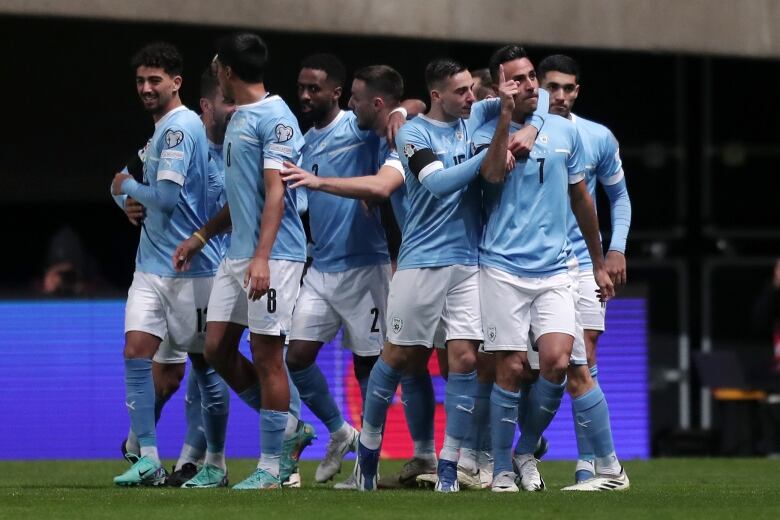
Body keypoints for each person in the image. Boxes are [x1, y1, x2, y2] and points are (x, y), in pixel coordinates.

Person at [349, 57, 544, 493]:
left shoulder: (476, 114)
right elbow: (437, 184)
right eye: (460, 92)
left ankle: (451, 465)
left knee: (467, 361)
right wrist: (493, 155)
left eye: (471, 90)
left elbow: (541, 96)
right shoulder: (414, 133)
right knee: (398, 357)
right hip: (421, 262)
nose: (471, 98)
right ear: (436, 96)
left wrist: (529, 127)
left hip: (469, 263)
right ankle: (368, 452)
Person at [282, 64, 439, 488]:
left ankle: (370, 466)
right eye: (301, 88)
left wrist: (400, 113)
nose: (305, 95)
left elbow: (414, 102)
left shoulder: (360, 125)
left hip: (366, 267)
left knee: (373, 369)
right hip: (322, 268)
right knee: (295, 357)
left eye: (313, 88)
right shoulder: (305, 140)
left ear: (336, 93)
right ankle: (339, 431)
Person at [474, 45, 616, 492]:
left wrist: (597, 262)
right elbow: (493, 175)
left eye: (532, 75)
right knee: (512, 369)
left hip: (556, 269)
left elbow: (581, 198)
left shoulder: (561, 129)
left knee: (557, 363)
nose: (531, 85)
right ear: (502, 86)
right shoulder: (482, 121)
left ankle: (524, 451)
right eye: (518, 79)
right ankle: (499, 469)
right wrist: (506, 116)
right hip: (501, 267)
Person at [173, 33, 312, 490]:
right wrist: (201, 235)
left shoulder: (276, 117)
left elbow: (276, 192)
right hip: (238, 255)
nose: (215, 73)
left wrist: (262, 258)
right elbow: (242, 196)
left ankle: (272, 467)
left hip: (274, 256)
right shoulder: (238, 118)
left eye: (217, 67)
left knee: (268, 354)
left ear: (228, 71)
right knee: (215, 349)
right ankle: (290, 431)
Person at [110, 42, 230, 487]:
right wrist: (125, 196)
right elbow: (127, 185)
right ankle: (147, 456)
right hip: (151, 269)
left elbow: (165, 197)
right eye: (141, 80)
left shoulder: (180, 130)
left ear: (175, 83)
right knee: (136, 352)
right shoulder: (160, 131)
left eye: (154, 80)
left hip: (193, 271)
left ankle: (215, 462)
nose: (145, 88)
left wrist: (129, 189)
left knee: (205, 367)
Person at [536, 53, 632, 491]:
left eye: (567, 88)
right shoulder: (521, 131)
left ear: (577, 91)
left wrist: (614, 251)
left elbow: (620, 198)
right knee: (522, 365)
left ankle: (589, 464)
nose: (559, 95)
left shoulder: (597, 136)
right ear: (537, 86)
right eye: (551, 86)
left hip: (581, 266)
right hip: (525, 263)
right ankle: (511, 454)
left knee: (583, 357)